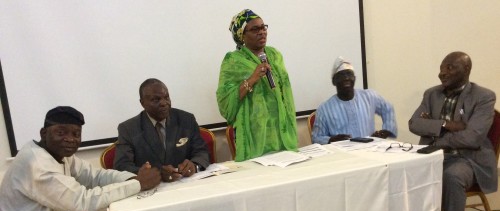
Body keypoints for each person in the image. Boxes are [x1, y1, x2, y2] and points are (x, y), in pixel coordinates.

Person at [0, 106, 161, 211]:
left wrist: (131, 178)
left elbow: (95, 177)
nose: (70, 139)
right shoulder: (37, 164)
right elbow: (82, 202)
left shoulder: (57, 154)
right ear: (43, 133)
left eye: (76, 134)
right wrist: (138, 184)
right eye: (61, 132)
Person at [408, 51, 497, 211]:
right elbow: (414, 124)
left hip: (468, 159)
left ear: (466, 69)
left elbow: (473, 138)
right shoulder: (431, 94)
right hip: (433, 156)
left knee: (452, 176)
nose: (442, 73)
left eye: (449, 67)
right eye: (441, 68)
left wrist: (437, 136)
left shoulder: (484, 96)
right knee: (404, 172)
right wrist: (447, 124)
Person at [216, 9, 298, 161]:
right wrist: (252, 78)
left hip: (282, 132)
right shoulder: (232, 61)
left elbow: (284, 92)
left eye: (263, 27)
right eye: (255, 29)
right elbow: (225, 104)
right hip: (255, 136)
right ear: (242, 35)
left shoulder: (274, 55)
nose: (262, 32)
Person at [114, 78, 210, 182]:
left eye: (166, 97)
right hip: (152, 189)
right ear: (142, 103)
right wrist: (156, 174)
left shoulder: (186, 119)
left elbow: (202, 152)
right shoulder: (129, 128)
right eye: (156, 99)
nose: (164, 103)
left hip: (185, 182)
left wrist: (194, 165)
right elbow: (122, 166)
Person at [312, 56, 397, 144]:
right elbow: (316, 138)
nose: (346, 78)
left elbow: (388, 108)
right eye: (341, 75)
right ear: (334, 81)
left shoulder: (369, 96)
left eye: (349, 74)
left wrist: (386, 130)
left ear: (354, 78)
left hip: (371, 150)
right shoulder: (324, 109)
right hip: (343, 154)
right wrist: (331, 140)